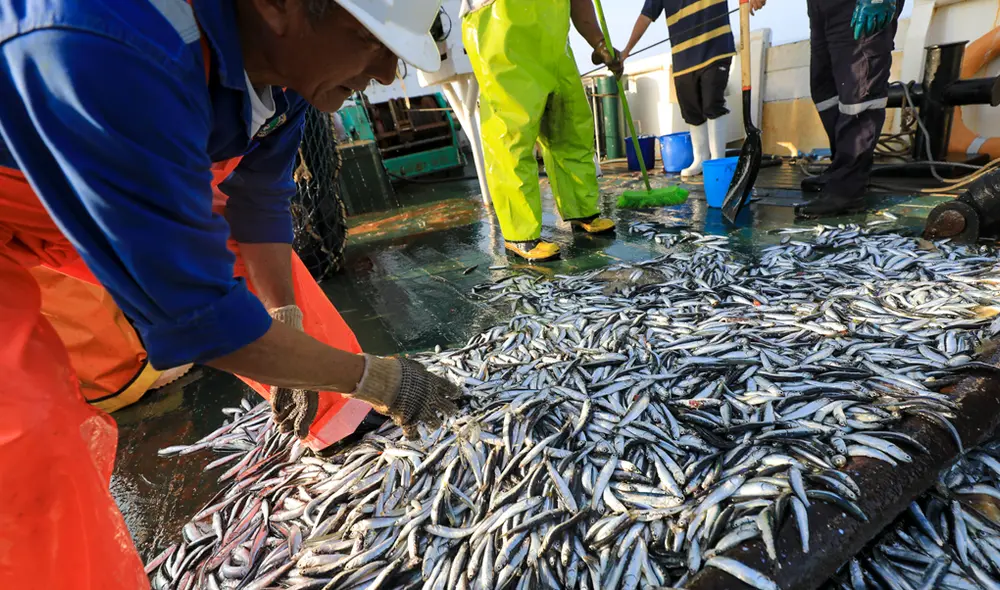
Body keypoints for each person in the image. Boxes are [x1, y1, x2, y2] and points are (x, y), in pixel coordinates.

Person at [0, 0, 462, 587]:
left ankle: (333, 417)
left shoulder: (287, 74)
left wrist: (283, 318)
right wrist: (382, 378)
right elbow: (196, 318)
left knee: (264, 277)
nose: (387, 75)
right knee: (25, 443)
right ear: (280, 7)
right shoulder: (110, 43)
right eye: (373, 42)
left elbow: (258, 201)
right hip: (33, 173)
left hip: (100, 170)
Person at [461, 0, 620, 262]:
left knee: (571, 126)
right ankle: (520, 234)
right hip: (500, 32)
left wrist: (599, 42)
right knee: (512, 133)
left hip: (554, 41)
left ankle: (582, 209)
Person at [622, 0, 766, 179]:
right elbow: (646, 16)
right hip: (683, 57)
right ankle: (700, 158)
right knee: (691, 109)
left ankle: (717, 160)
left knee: (712, 102)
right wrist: (627, 50)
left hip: (716, 47)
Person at [796, 0, 904, 218]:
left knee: (859, 94)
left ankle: (847, 190)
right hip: (821, 8)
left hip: (859, 5)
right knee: (826, 92)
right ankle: (840, 169)